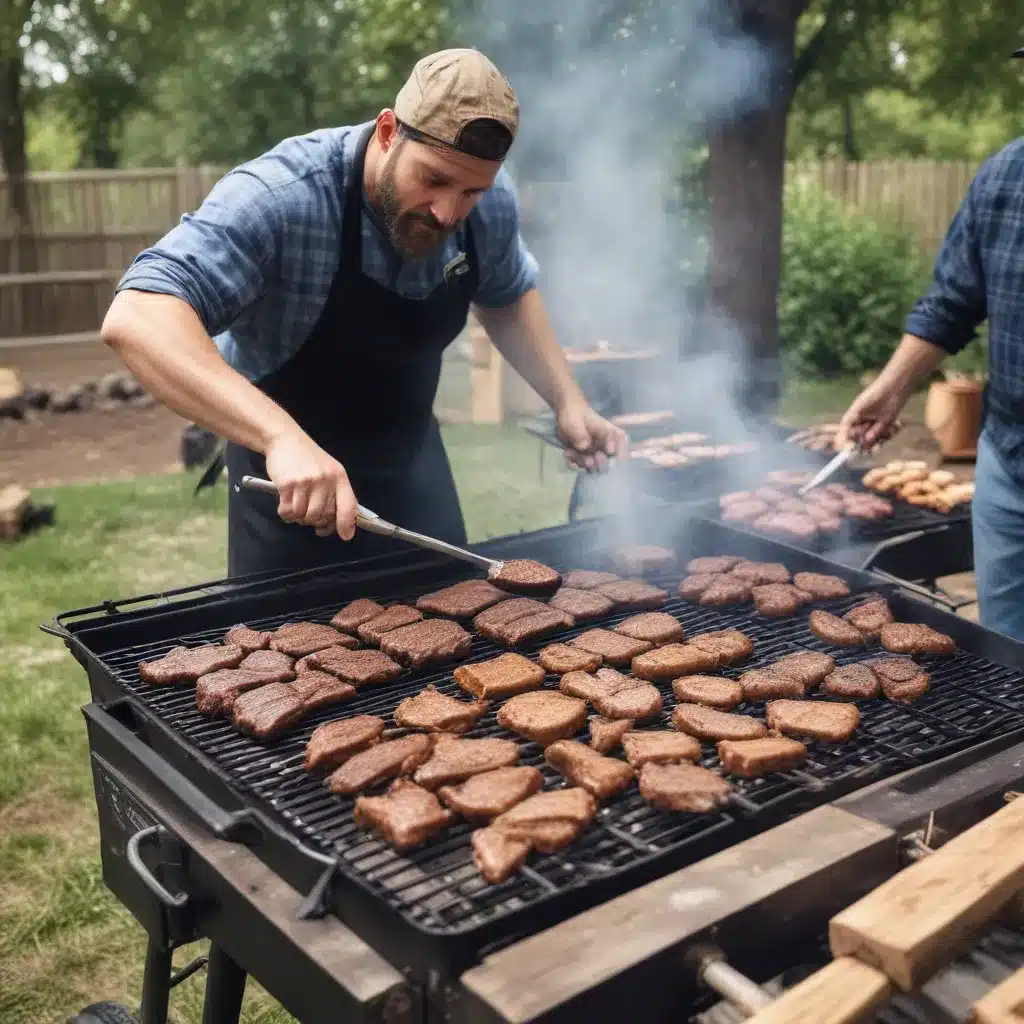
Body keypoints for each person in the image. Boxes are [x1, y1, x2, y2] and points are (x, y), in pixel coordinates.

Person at [100, 48, 627, 577]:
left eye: (471, 190)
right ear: (387, 132)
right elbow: (139, 316)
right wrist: (280, 437)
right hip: (289, 496)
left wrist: (567, 399)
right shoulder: (283, 198)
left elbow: (507, 294)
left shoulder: (488, 204)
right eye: (435, 179)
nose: (449, 212)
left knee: (461, 646)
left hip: (416, 477)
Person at [836, 58, 1024, 640]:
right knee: (1005, 655)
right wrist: (890, 390)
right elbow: (952, 301)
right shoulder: (1004, 177)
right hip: (1010, 462)